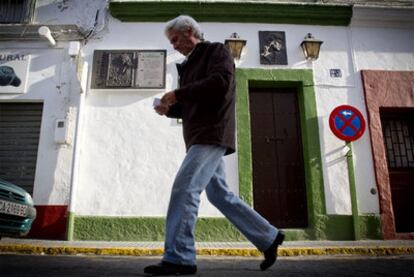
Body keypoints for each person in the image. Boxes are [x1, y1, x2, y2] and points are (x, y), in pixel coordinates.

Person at [144, 15, 284, 276]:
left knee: (185, 188)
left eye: (175, 39)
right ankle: (269, 237)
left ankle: (180, 258)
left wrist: (178, 94)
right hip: (198, 134)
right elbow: (192, 105)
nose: (173, 45)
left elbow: (221, 83)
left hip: (211, 133)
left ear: (188, 31)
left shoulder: (215, 51)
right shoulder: (188, 66)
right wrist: (169, 110)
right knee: (219, 194)